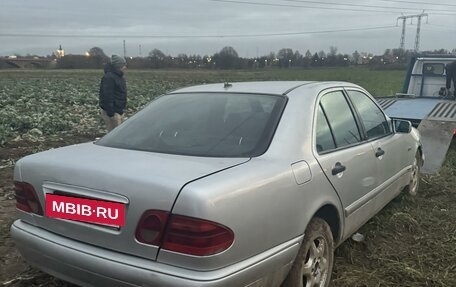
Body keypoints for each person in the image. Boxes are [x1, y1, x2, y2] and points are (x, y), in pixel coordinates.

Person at [99, 55, 127, 131]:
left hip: (119, 111)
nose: (125, 67)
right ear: (118, 66)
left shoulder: (120, 77)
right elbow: (106, 96)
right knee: (115, 135)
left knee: (120, 134)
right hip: (113, 113)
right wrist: (111, 113)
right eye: (123, 65)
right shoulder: (109, 78)